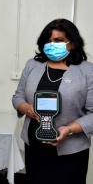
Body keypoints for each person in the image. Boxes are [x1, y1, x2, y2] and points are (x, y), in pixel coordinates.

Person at [12, 18, 93, 184]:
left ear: (72, 43)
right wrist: (27, 108)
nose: (52, 45)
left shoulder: (87, 71)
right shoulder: (33, 65)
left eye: (58, 40)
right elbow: (17, 97)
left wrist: (69, 129)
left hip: (70, 153)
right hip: (34, 148)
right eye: (48, 41)